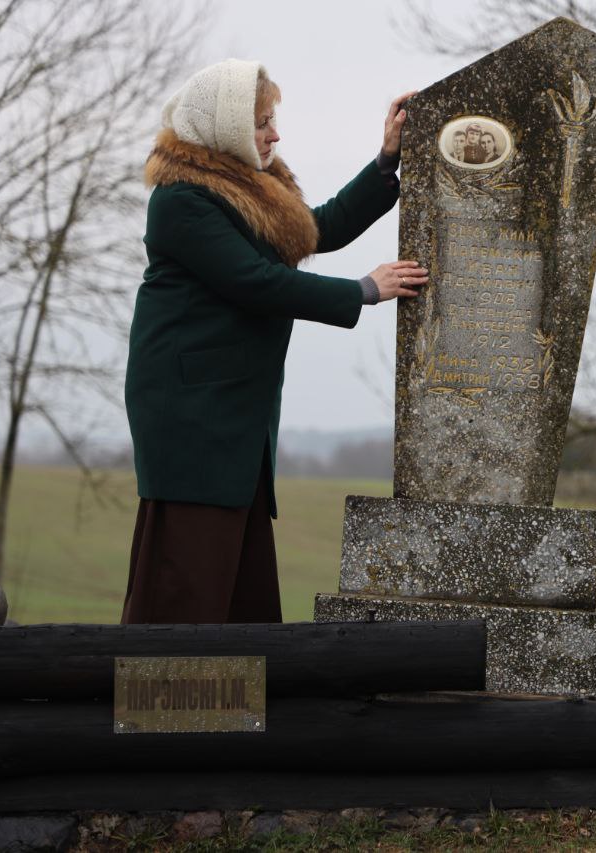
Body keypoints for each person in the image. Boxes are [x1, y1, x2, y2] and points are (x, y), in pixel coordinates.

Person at [120, 59, 427, 624]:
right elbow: (254, 282)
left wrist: (388, 160)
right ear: (225, 125)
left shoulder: (250, 190)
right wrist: (362, 290)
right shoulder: (181, 201)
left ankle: (235, 706)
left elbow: (319, 227)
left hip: (234, 418)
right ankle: (164, 706)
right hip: (191, 418)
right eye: (261, 121)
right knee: (183, 593)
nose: (274, 133)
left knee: (239, 590)